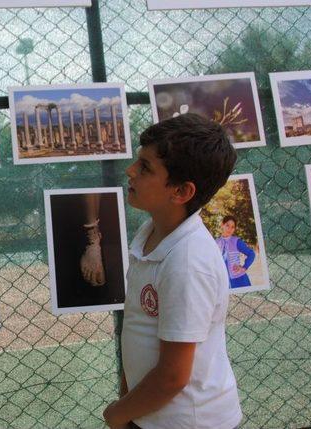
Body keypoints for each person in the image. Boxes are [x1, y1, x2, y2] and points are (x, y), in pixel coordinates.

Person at [103, 113, 242, 429]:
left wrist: (118, 413)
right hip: (151, 415)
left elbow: (172, 377)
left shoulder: (188, 263)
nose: (130, 171)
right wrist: (128, 404)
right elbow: (139, 330)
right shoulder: (151, 233)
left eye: (146, 167)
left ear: (181, 192)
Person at [215, 215, 256, 288]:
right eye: (227, 225)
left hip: (239, 280)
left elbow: (251, 254)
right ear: (222, 225)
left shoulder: (236, 241)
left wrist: (244, 267)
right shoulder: (216, 243)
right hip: (224, 282)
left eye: (232, 227)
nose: (229, 229)